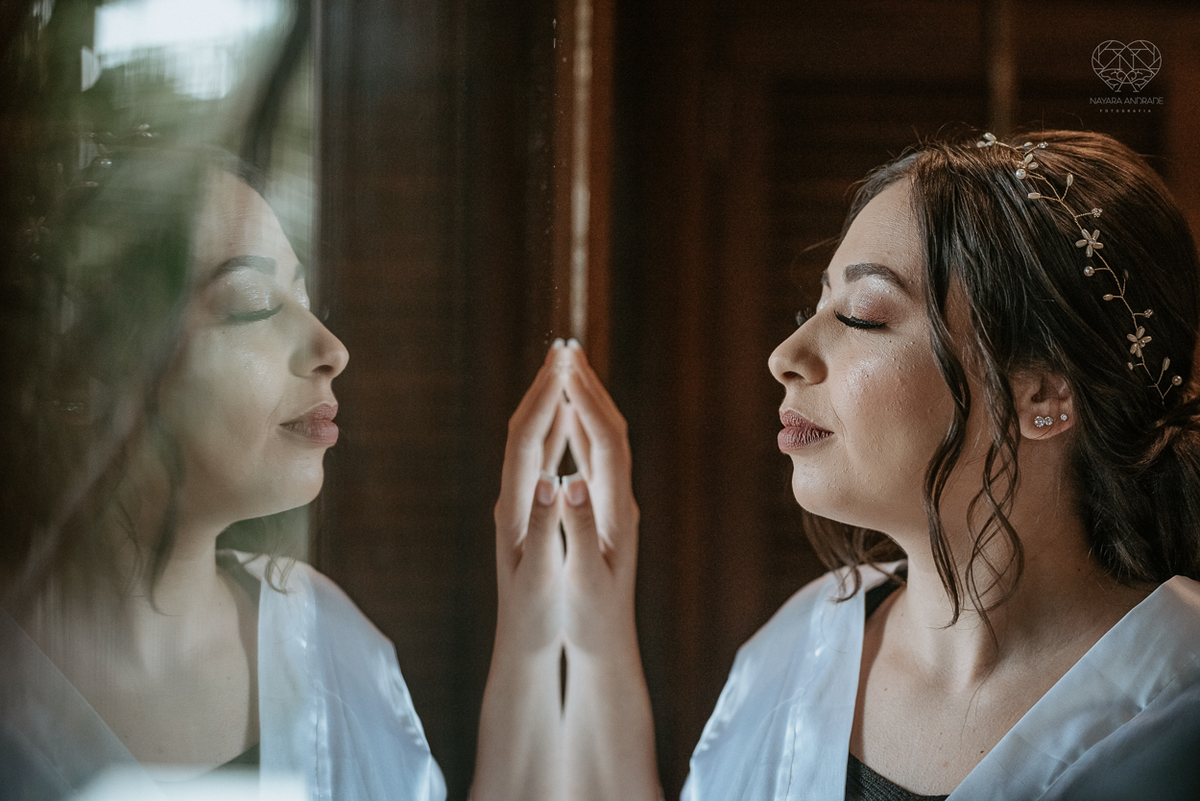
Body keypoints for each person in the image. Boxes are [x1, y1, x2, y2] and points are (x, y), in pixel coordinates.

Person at [477, 129, 1200, 800]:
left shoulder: (1176, 718)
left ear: (1042, 393)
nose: (784, 357)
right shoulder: (800, 648)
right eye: (815, 306)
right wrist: (592, 639)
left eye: (862, 315)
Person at [0, 149, 446, 800]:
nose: (332, 349)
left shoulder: (330, 644)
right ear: (102, 365)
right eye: (255, 302)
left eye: (304, 297)